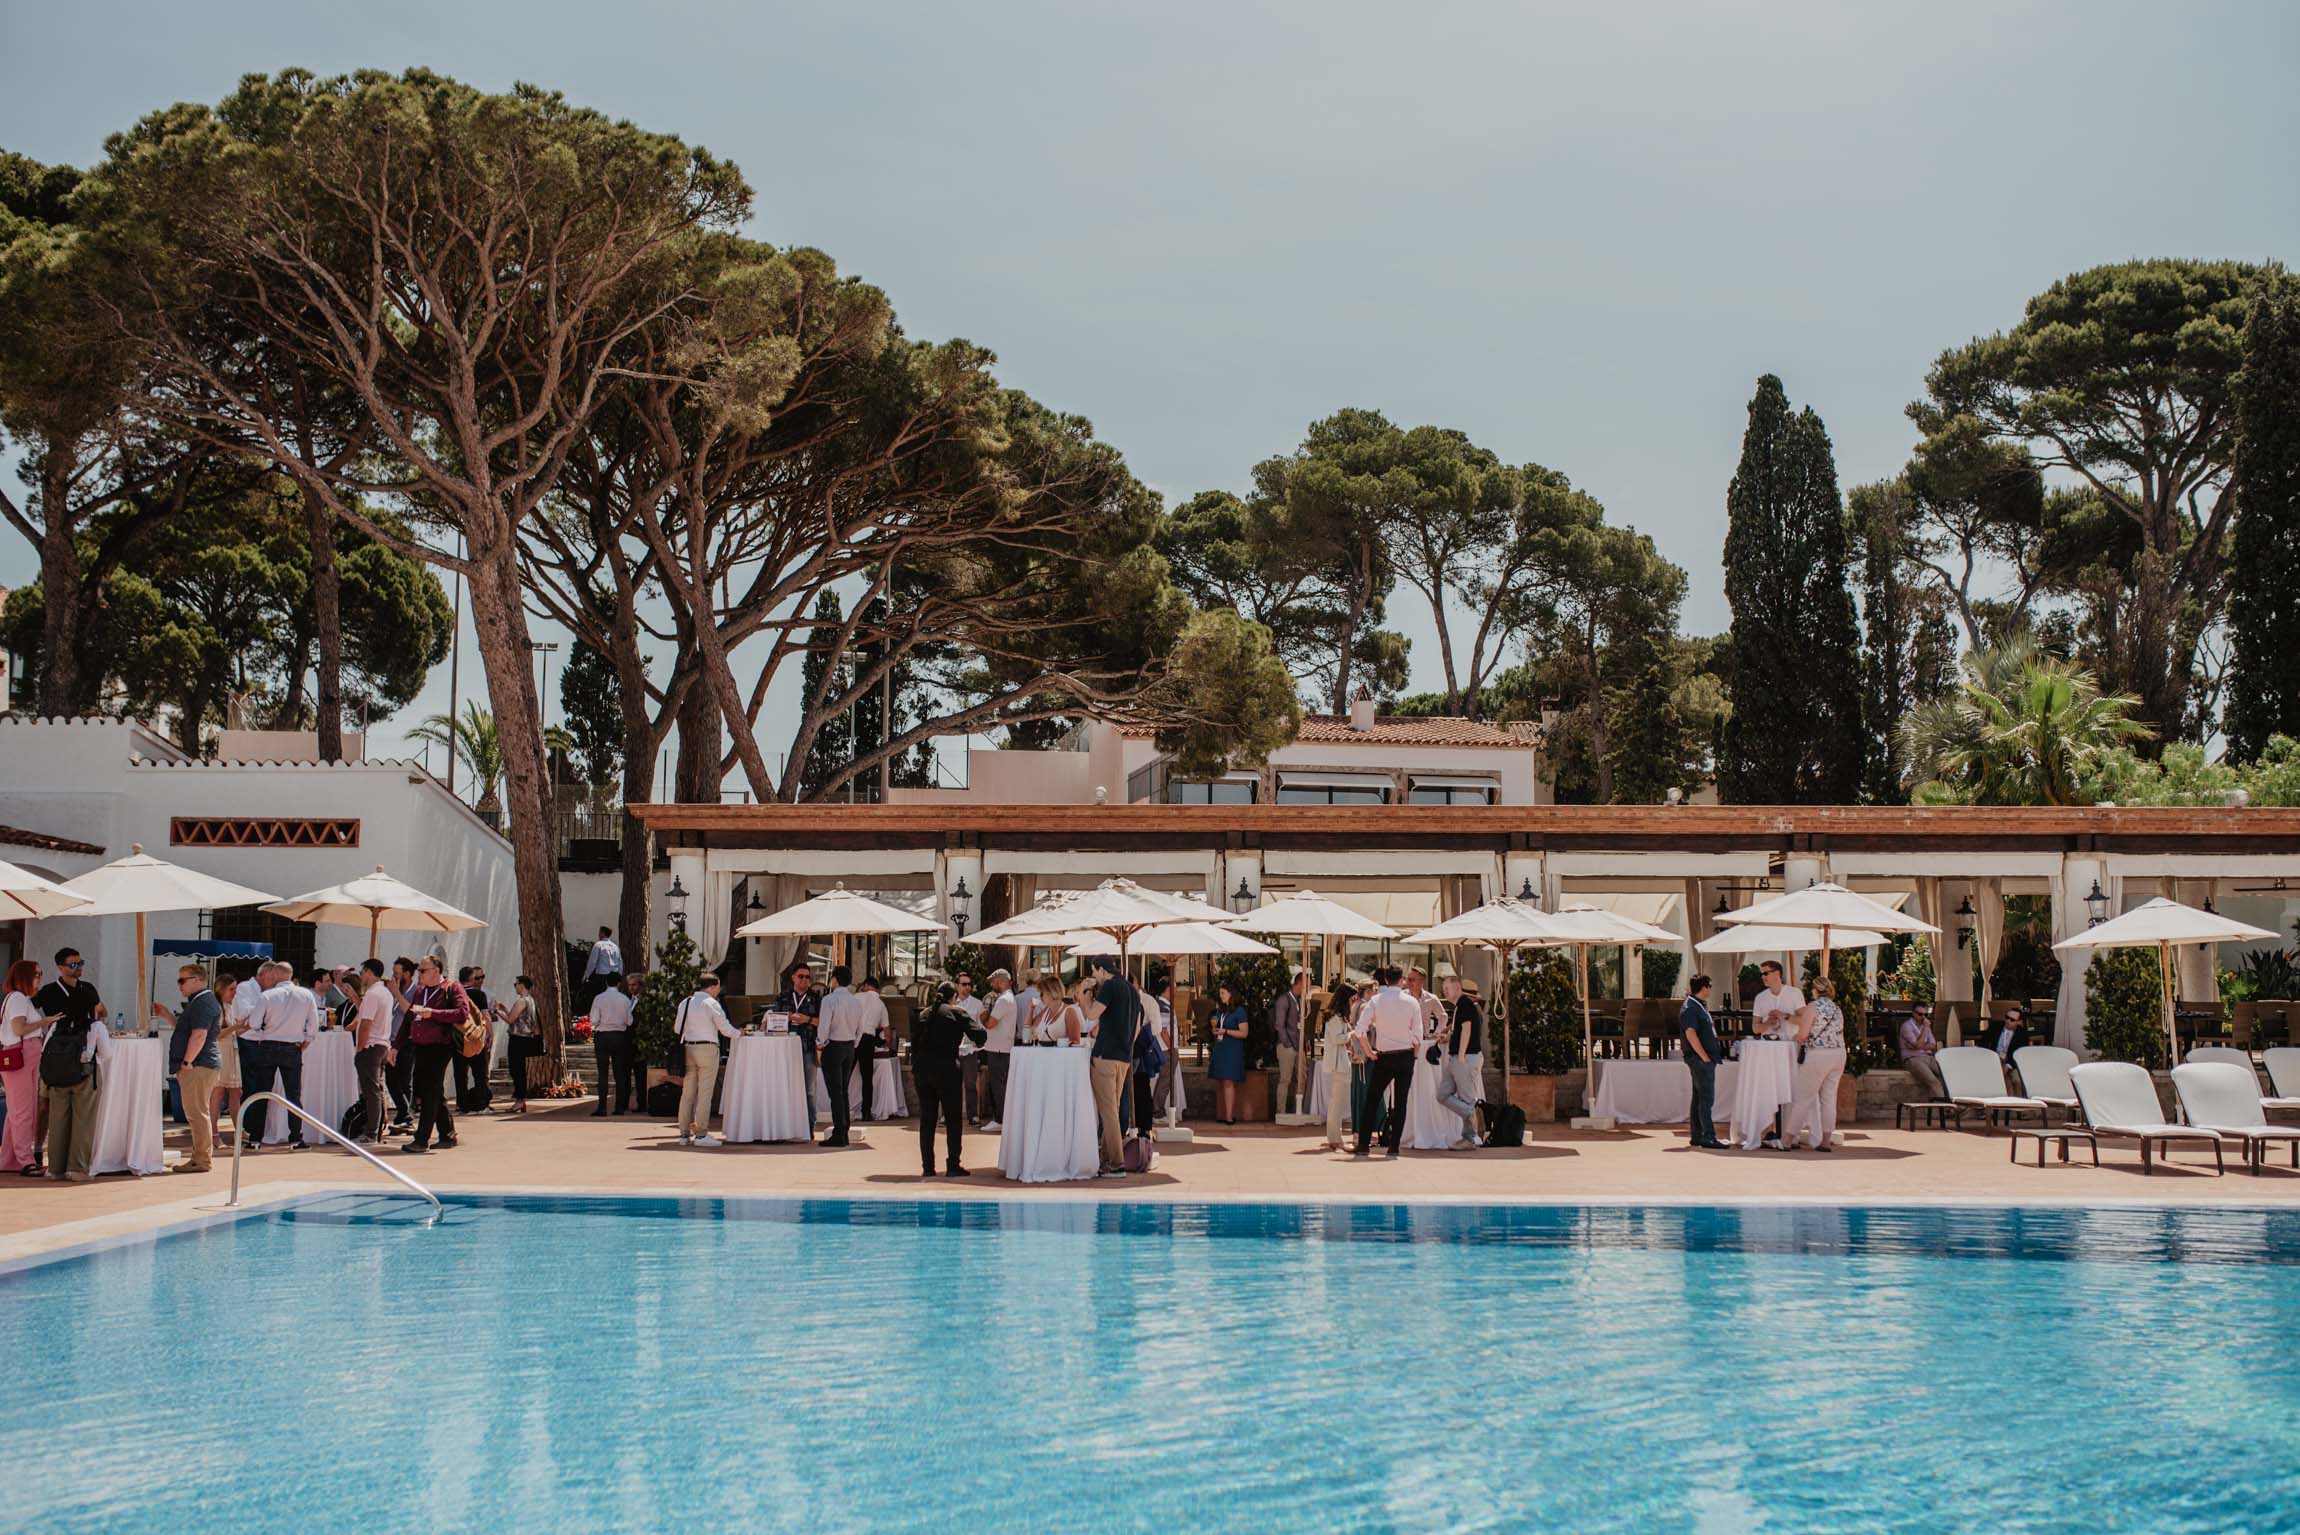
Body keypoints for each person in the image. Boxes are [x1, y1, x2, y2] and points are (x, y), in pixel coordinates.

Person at [151, 964, 223, 1172]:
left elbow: (199, 1035)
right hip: (200, 1065)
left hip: (198, 1065)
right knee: (197, 1112)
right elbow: (187, 1031)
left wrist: (187, 1062)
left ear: (198, 980)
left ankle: (201, 1160)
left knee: (196, 1113)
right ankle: (200, 1158)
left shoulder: (202, 1002)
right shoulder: (200, 1001)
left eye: (182, 980)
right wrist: (166, 1015)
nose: (179, 985)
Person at [241, 962, 319, 1149]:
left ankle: (255, 1138)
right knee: (293, 1095)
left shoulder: (267, 995)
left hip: (268, 1046)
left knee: (262, 1093)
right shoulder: (306, 994)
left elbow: (254, 1023)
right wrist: (305, 1042)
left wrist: (263, 1030)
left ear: (275, 975)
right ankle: (295, 1138)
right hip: (292, 1047)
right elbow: (313, 1025)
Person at [397, 956, 471, 1153]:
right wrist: (396, 1046)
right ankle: (447, 1134)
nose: (419, 974)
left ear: (436, 971)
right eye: (419, 970)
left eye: (423, 970)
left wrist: (433, 1013)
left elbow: (462, 1013)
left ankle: (421, 1140)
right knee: (431, 1090)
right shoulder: (420, 992)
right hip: (420, 1046)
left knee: (429, 1092)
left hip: (441, 1046)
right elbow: (408, 1019)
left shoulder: (452, 988)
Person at [912, 982, 986, 1177]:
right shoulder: (956, 1012)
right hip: (947, 1071)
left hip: (923, 1071)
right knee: (953, 1120)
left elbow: (915, 1043)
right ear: (954, 997)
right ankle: (953, 1165)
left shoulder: (923, 1014)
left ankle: (928, 1167)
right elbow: (980, 1036)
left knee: (927, 1120)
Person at [40, 988, 110, 1182]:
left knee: (57, 1123)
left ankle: (55, 1169)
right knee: (83, 1122)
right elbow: (107, 1054)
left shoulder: (57, 1025)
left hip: (57, 1078)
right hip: (84, 1077)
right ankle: (77, 1169)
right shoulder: (95, 1026)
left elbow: (45, 1051)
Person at [1351, 967, 1421, 1158]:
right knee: (1401, 1102)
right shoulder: (1411, 1002)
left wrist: (1369, 1052)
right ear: (1401, 980)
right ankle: (1394, 1146)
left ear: (1386, 980)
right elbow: (1418, 1035)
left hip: (1384, 1055)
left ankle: (1363, 1144)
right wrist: (1414, 1056)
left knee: (1372, 1100)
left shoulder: (1376, 1001)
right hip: (1405, 1054)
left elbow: (1359, 1031)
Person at [1081, 955, 1139, 1177]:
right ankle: (1107, 1159)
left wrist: (1086, 994)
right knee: (1111, 1110)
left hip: (1105, 1055)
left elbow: (1090, 1015)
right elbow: (1136, 1027)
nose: (1093, 975)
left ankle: (1116, 1163)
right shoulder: (1132, 990)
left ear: (1102, 970)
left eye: (1094, 971)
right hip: (1123, 1057)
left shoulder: (1109, 986)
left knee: (1109, 1112)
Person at [1783, 977, 1849, 1152]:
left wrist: (1795, 1037)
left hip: (1819, 1055)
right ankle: (1826, 1141)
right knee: (1829, 1099)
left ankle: (1787, 1139)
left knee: (1803, 1098)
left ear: (1815, 990)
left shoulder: (1812, 1007)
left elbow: (1803, 1034)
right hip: (1839, 1054)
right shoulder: (1837, 1009)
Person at [674, 972, 739, 1147]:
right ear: (712, 986)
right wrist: (740, 1033)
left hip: (688, 1048)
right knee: (705, 1094)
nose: (718, 990)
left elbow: (677, 1028)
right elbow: (725, 1029)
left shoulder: (686, 1002)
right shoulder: (711, 1003)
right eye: (718, 987)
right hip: (708, 1048)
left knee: (687, 1093)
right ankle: (701, 1135)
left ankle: (684, 1134)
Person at [2, 959, 52, 1175]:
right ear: (24, 976)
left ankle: (9, 1160)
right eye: (36, 974)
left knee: (17, 1110)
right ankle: (25, 1161)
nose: (39, 979)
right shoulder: (18, 999)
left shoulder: (20, 999)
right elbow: (19, 1029)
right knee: (23, 1111)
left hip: (24, 1054)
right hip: (21, 1054)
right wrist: (44, 1022)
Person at [816, 965, 865, 1148]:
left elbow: (824, 1026)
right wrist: (854, 1043)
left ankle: (839, 1133)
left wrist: (820, 1043)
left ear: (834, 980)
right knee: (843, 1090)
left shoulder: (829, 1000)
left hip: (834, 1046)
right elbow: (861, 1027)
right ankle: (843, 1131)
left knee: (835, 1092)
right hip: (849, 1047)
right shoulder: (856, 1002)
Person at [1434, 976, 1484, 1149]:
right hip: (1458, 1057)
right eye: (1444, 989)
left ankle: (1468, 1138)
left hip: (1465, 1058)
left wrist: (1461, 1055)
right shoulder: (1460, 1006)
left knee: (1466, 1098)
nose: (1444, 992)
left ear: (1457, 988)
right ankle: (1470, 1113)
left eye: (1447, 989)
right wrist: (1448, 1038)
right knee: (1443, 1095)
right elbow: (1460, 1031)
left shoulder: (1465, 1004)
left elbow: (1466, 1030)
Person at [772, 962, 822, 1129]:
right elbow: (773, 1020)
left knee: (809, 1089)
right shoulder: (783, 997)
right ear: (793, 977)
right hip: (785, 1049)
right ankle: (786, 1125)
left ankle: (809, 1126)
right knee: (785, 1087)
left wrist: (807, 1019)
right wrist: (787, 1018)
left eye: (807, 977)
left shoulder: (816, 998)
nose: (804, 980)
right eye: (801, 976)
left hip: (808, 1047)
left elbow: (823, 1022)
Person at [1680, 974, 1727, 1150]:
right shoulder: (1691, 1007)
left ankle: (1697, 1135)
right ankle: (1708, 1136)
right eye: (1710, 986)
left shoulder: (1697, 1005)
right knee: (1706, 1099)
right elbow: (1690, 1033)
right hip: (1700, 1059)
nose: (1711, 990)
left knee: (1699, 1098)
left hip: (1701, 1058)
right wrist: (1704, 1056)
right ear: (1705, 987)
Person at [350, 960, 394, 1145]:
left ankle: (371, 1132)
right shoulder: (385, 993)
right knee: (377, 1090)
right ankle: (377, 1130)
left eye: (362, 972)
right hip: (382, 1044)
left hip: (371, 1046)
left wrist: (360, 1047)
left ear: (369, 972)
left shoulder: (373, 994)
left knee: (371, 1091)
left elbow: (366, 1023)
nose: (361, 976)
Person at [589, 971, 636, 1115]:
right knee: (620, 1072)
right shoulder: (625, 999)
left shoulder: (599, 998)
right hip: (620, 1036)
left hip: (603, 1036)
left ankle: (602, 1107)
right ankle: (619, 1107)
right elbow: (629, 1021)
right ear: (619, 983)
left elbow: (594, 1020)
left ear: (606, 982)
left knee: (602, 1073)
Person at [979, 969, 1017, 1130]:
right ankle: (1001, 1119)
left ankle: (1000, 1120)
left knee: (998, 1085)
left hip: (999, 1049)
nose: (991, 985)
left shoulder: (1003, 1000)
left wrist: (982, 1014)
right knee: (999, 1084)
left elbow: (989, 1024)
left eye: (993, 982)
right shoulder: (1008, 998)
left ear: (1001, 981)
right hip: (1001, 1048)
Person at [382, 957, 417, 1132]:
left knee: (404, 1080)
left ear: (407, 974)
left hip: (408, 1041)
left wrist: (396, 992)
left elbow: (409, 1012)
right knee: (391, 1080)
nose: (394, 976)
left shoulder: (416, 991)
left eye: (397, 973)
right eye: (393, 973)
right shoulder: (392, 990)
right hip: (391, 1041)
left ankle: (405, 1116)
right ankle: (405, 1113)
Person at [453, 965, 495, 1113]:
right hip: (476, 1038)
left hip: (458, 1039)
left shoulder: (453, 995)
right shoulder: (479, 995)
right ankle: (481, 1104)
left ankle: (462, 1104)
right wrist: (490, 1034)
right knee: (480, 1072)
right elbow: (486, 1015)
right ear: (471, 979)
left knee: (460, 1073)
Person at [498, 976, 542, 1112]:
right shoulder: (530, 999)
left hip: (518, 1039)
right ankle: (520, 1100)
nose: (515, 987)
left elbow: (510, 1020)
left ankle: (520, 1100)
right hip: (524, 1038)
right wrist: (505, 1009)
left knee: (516, 1070)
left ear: (522, 985)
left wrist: (496, 1011)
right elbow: (518, 1018)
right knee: (519, 1070)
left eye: (515, 984)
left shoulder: (521, 1001)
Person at [1319, 987, 1356, 1150]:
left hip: (1341, 1061)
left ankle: (1335, 1137)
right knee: (1337, 1102)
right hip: (1339, 1064)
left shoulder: (1338, 1016)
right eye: (1352, 999)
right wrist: (1352, 1034)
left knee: (1337, 1102)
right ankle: (1334, 1138)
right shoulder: (1335, 1017)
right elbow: (1337, 1039)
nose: (1353, 1002)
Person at [1208, 982, 1248, 1124]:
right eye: (1220, 993)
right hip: (1221, 1048)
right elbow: (1219, 1027)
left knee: (1228, 1081)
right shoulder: (1221, 1011)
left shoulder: (1240, 1011)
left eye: (1223, 993)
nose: (1221, 996)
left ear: (1231, 994)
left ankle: (1229, 1117)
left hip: (1232, 1050)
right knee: (1221, 1081)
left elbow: (1244, 1033)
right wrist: (1216, 1030)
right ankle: (1224, 1114)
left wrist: (1226, 1031)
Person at [853, 976, 892, 1121]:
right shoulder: (881, 1004)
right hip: (868, 1040)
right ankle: (866, 1112)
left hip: (852, 1037)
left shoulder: (856, 997)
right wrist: (888, 1045)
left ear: (866, 985)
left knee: (845, 1075)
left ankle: (841, 1109)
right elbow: (887, 1031)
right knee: (867, 1078)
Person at [1270, 971, 1306, 1116]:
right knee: (1285, 1079)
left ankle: (1298, 1110)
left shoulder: (1300, 1000)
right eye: (1307, 984)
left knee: (1302, 1079)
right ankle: (1281, 1112)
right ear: (1300, 983)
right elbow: (1279, 1025)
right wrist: (1288, 1044)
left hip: (1298, 1045)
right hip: (1287, 1046)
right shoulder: (1284, 1000)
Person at [949, 972, 983, 1121]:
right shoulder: (950, 1004)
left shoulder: (977, 1004)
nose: (967, 987)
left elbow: (981, 1027)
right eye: (964, 984)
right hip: (952, 1049)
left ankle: (972, 1115)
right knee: (950, 1084)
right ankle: (947, 1115)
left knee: (970, 1084)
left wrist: (977, 1043)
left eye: (969, 984)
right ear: (957, 986)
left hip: (970, 1049)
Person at [1898, 1001, 1947, 1101]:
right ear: (1913, 1013)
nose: (1923, 1017)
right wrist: (1925, 1029)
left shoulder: (1926, 1026)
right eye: (1920, 1014)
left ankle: (1957, 1102)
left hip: (1928, 1057)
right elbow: (1918, 1045)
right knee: (1934, 1082)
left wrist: (1917, 1046)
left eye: (1925, 1014)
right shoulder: (1907, 1026)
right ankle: (1947, 1107)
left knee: (1948, 1075)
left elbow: (1933, 1045)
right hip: (1913, 1059)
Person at [1751, 961, 1805, 1039]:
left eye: (1765, 973)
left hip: (1790, 1043)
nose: (1762, 977)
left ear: (1777, 973)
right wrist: (1768, 1023)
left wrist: (1784, 1015)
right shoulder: (1759, 997)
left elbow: (1804, 1021)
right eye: (1761, 974)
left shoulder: (1795, 993)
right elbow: (1755, 1029)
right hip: (1767, 1044)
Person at [581, 926, 623, 1008]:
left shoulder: (598, 945)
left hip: (602, 977)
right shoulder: (615, 947)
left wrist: (586, 975)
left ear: (603, 933)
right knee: (612, 1000)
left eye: (599, 932)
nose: (598, 934)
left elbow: (592, 962)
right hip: (614, 976)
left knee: (600, 999)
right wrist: (619, 977)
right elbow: (620, 963)